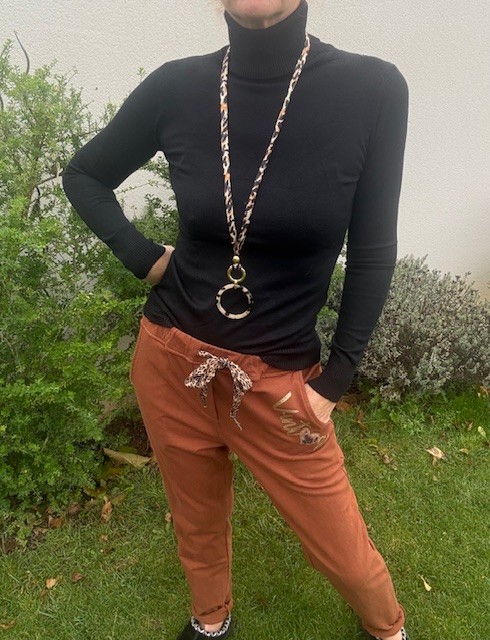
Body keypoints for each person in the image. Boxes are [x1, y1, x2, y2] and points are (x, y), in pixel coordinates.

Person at [62, 1, 410, 638]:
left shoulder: (372, 89)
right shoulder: (177, 86)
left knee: (340, 544)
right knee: (195, 520)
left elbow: (373, 251)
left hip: (280, 385)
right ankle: (210, 620)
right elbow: (84, 174)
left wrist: (334, 381)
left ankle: (388, 628)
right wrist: (144, 258)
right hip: (170, 361)